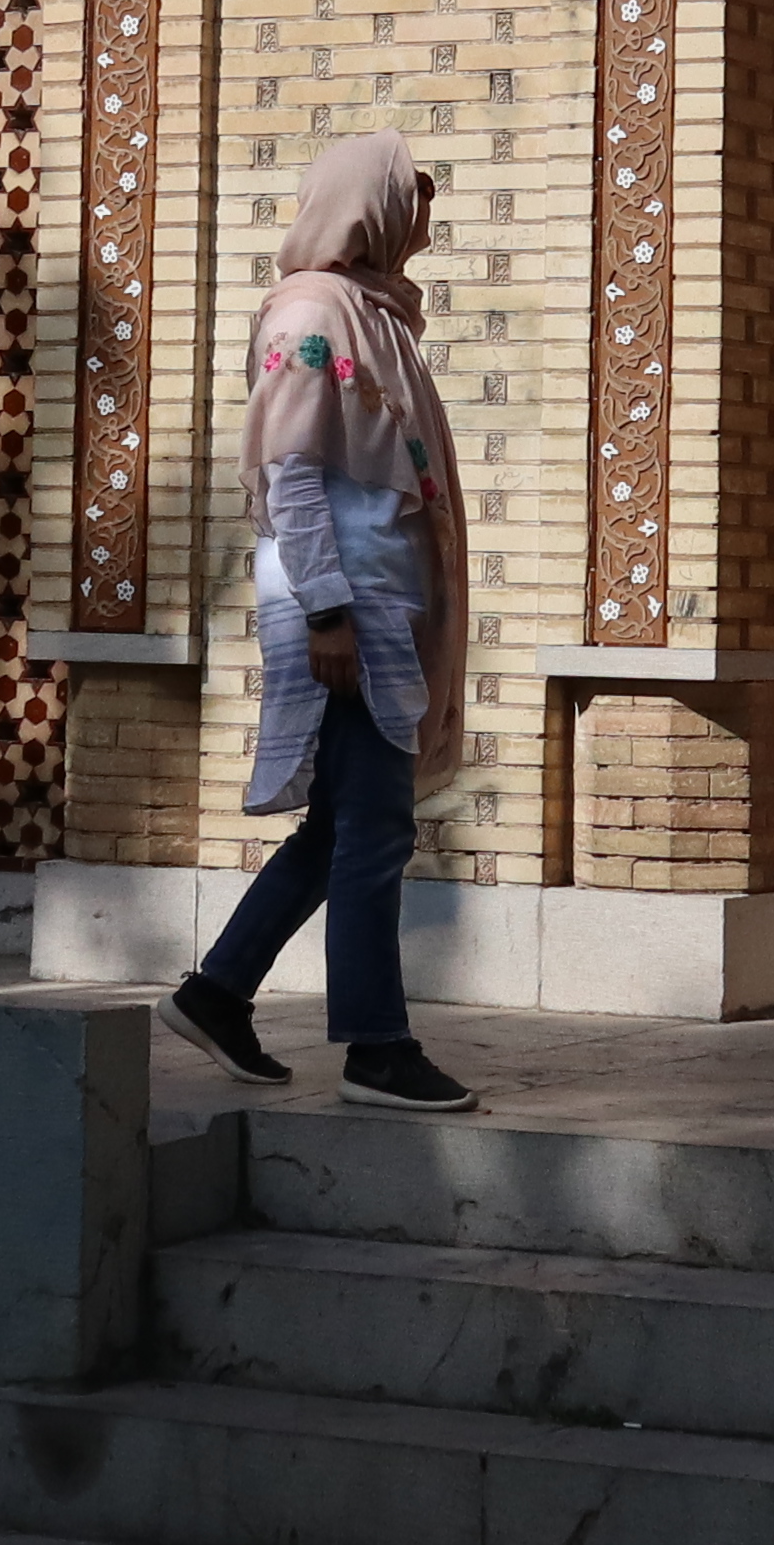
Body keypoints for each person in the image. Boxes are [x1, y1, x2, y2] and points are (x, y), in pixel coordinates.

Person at [157, 135, 479, 1114]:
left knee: (343, 822)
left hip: (373, 598)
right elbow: (289, 473)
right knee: (375, 827)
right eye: (410, 201)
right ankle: (377, 1047)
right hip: (343, 605)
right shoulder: (313, 311)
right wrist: (330, 613)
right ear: (368, 207)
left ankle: (216, 994)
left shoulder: (374, 316)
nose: (423, 220)